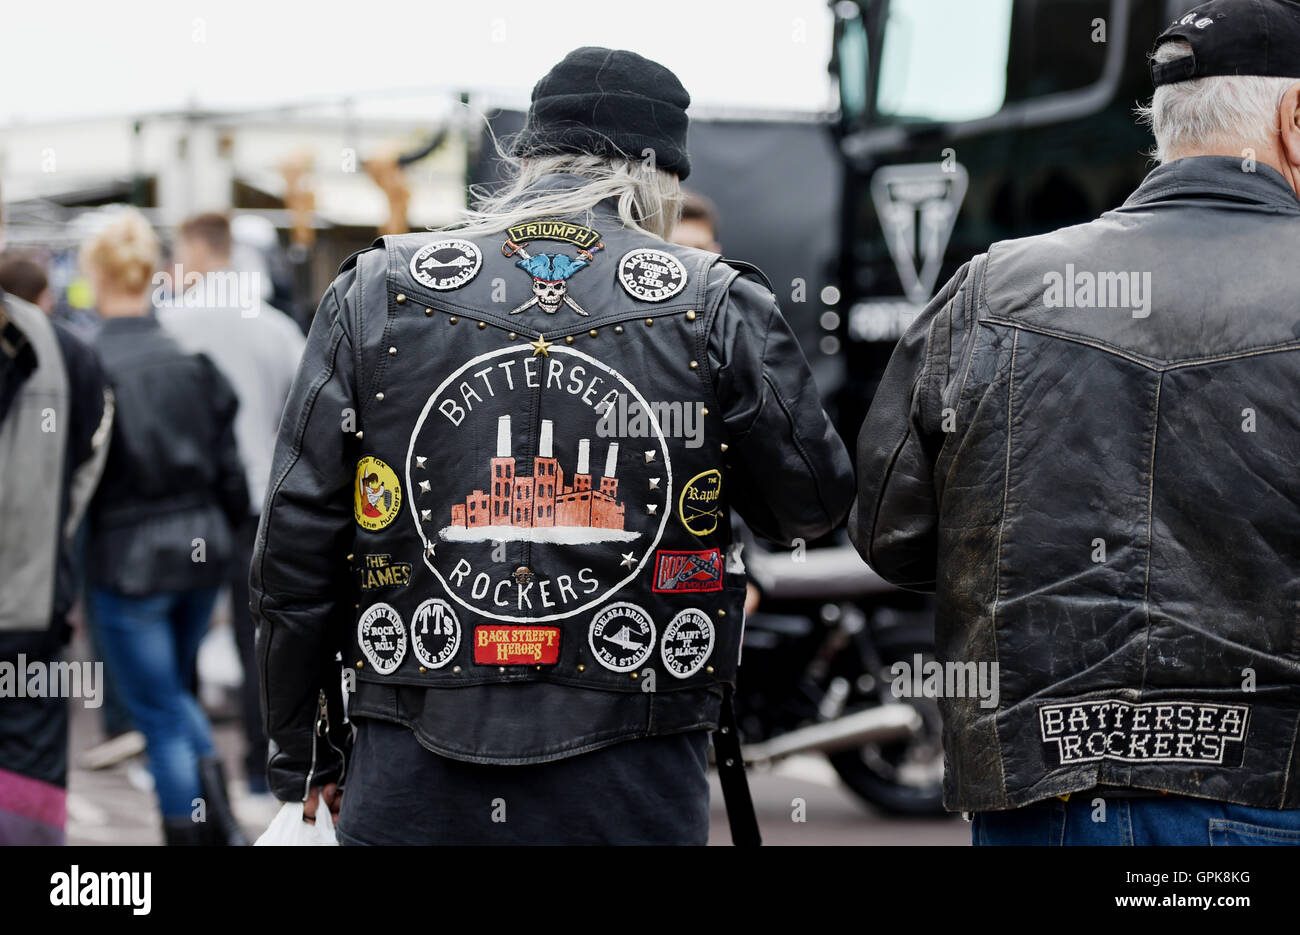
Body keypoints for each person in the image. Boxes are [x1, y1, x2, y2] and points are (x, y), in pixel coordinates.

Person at [252, 46, 855, 845]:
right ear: (661, 179)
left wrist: (301, 750)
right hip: (631, 762)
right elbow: (810, 504)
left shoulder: (377, 289)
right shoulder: (713, 301)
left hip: (412, 751)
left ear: (528, 158)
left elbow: (294, 548)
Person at [848, 0, 1300, 846]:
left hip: (1037, 794)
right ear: (1296, 120)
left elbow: (892, 534)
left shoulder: (993, 288)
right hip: (1266, 795)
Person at [82, 208, 251, 846]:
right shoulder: (193, 362)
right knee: (174, 695)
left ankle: (189, 832)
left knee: (157, 709)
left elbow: (78, 481)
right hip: (199, 550)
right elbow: (230, 474)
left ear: (97, 273)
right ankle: (222, 823)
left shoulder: (88, 364)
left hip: (128, 560)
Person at [158, 212, 306, 803]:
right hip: (256, 503)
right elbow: (302, 418)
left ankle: (190, 773)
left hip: (188, 505)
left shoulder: (169, 324)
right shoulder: (274, 329)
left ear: (197, 247)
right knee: (258, 639)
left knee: (182, 635)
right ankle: (256, 769)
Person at [0, 285, 111, 845]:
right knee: (27, 779)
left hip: (31, 609)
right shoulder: (64, 349)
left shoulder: (62, 349)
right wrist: (49, 532)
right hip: (29, 602)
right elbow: (87, 461)